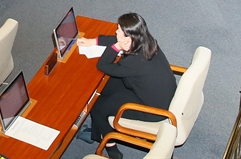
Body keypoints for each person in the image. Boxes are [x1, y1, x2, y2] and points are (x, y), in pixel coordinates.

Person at [75, 13, 176, 159]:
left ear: (129, 39)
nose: (116, 32)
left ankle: (111, 146)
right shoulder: (148, 41)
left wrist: (116, 47)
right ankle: (99, 132)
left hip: (151, 109)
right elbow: (118, 40)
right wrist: (94, 41)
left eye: (119, 31)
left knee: (96, 104)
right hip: (157, 93)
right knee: (104, 87)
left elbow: (103, 65)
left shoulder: (133, 62)